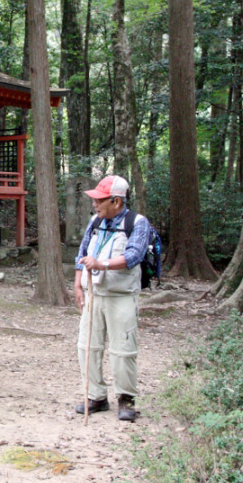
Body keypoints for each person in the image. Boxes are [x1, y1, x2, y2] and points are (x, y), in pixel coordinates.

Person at [73, 175, 151, 422]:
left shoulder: (137, 223)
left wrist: (101, 264)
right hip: (93, 294)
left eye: (100, 200)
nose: (95, 205)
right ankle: (96, 396)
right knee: (87, 346)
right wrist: (77, 285)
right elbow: (82, 252)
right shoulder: (95, 222)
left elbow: (133, 256)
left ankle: (126, 398)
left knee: (123, 350)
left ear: (116, 201)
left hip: (122, 296)